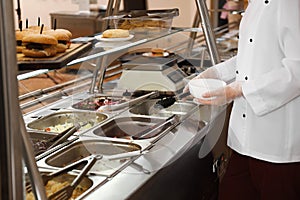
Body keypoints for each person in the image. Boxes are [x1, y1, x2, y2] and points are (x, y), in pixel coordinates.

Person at [187, 1, 300, 199]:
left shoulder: (289, 4)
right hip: (243, 142)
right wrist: (214, 74)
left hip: (277, 147)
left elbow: (297, 70)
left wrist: (238, 90)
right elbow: (248, 57)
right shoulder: (255, 4)